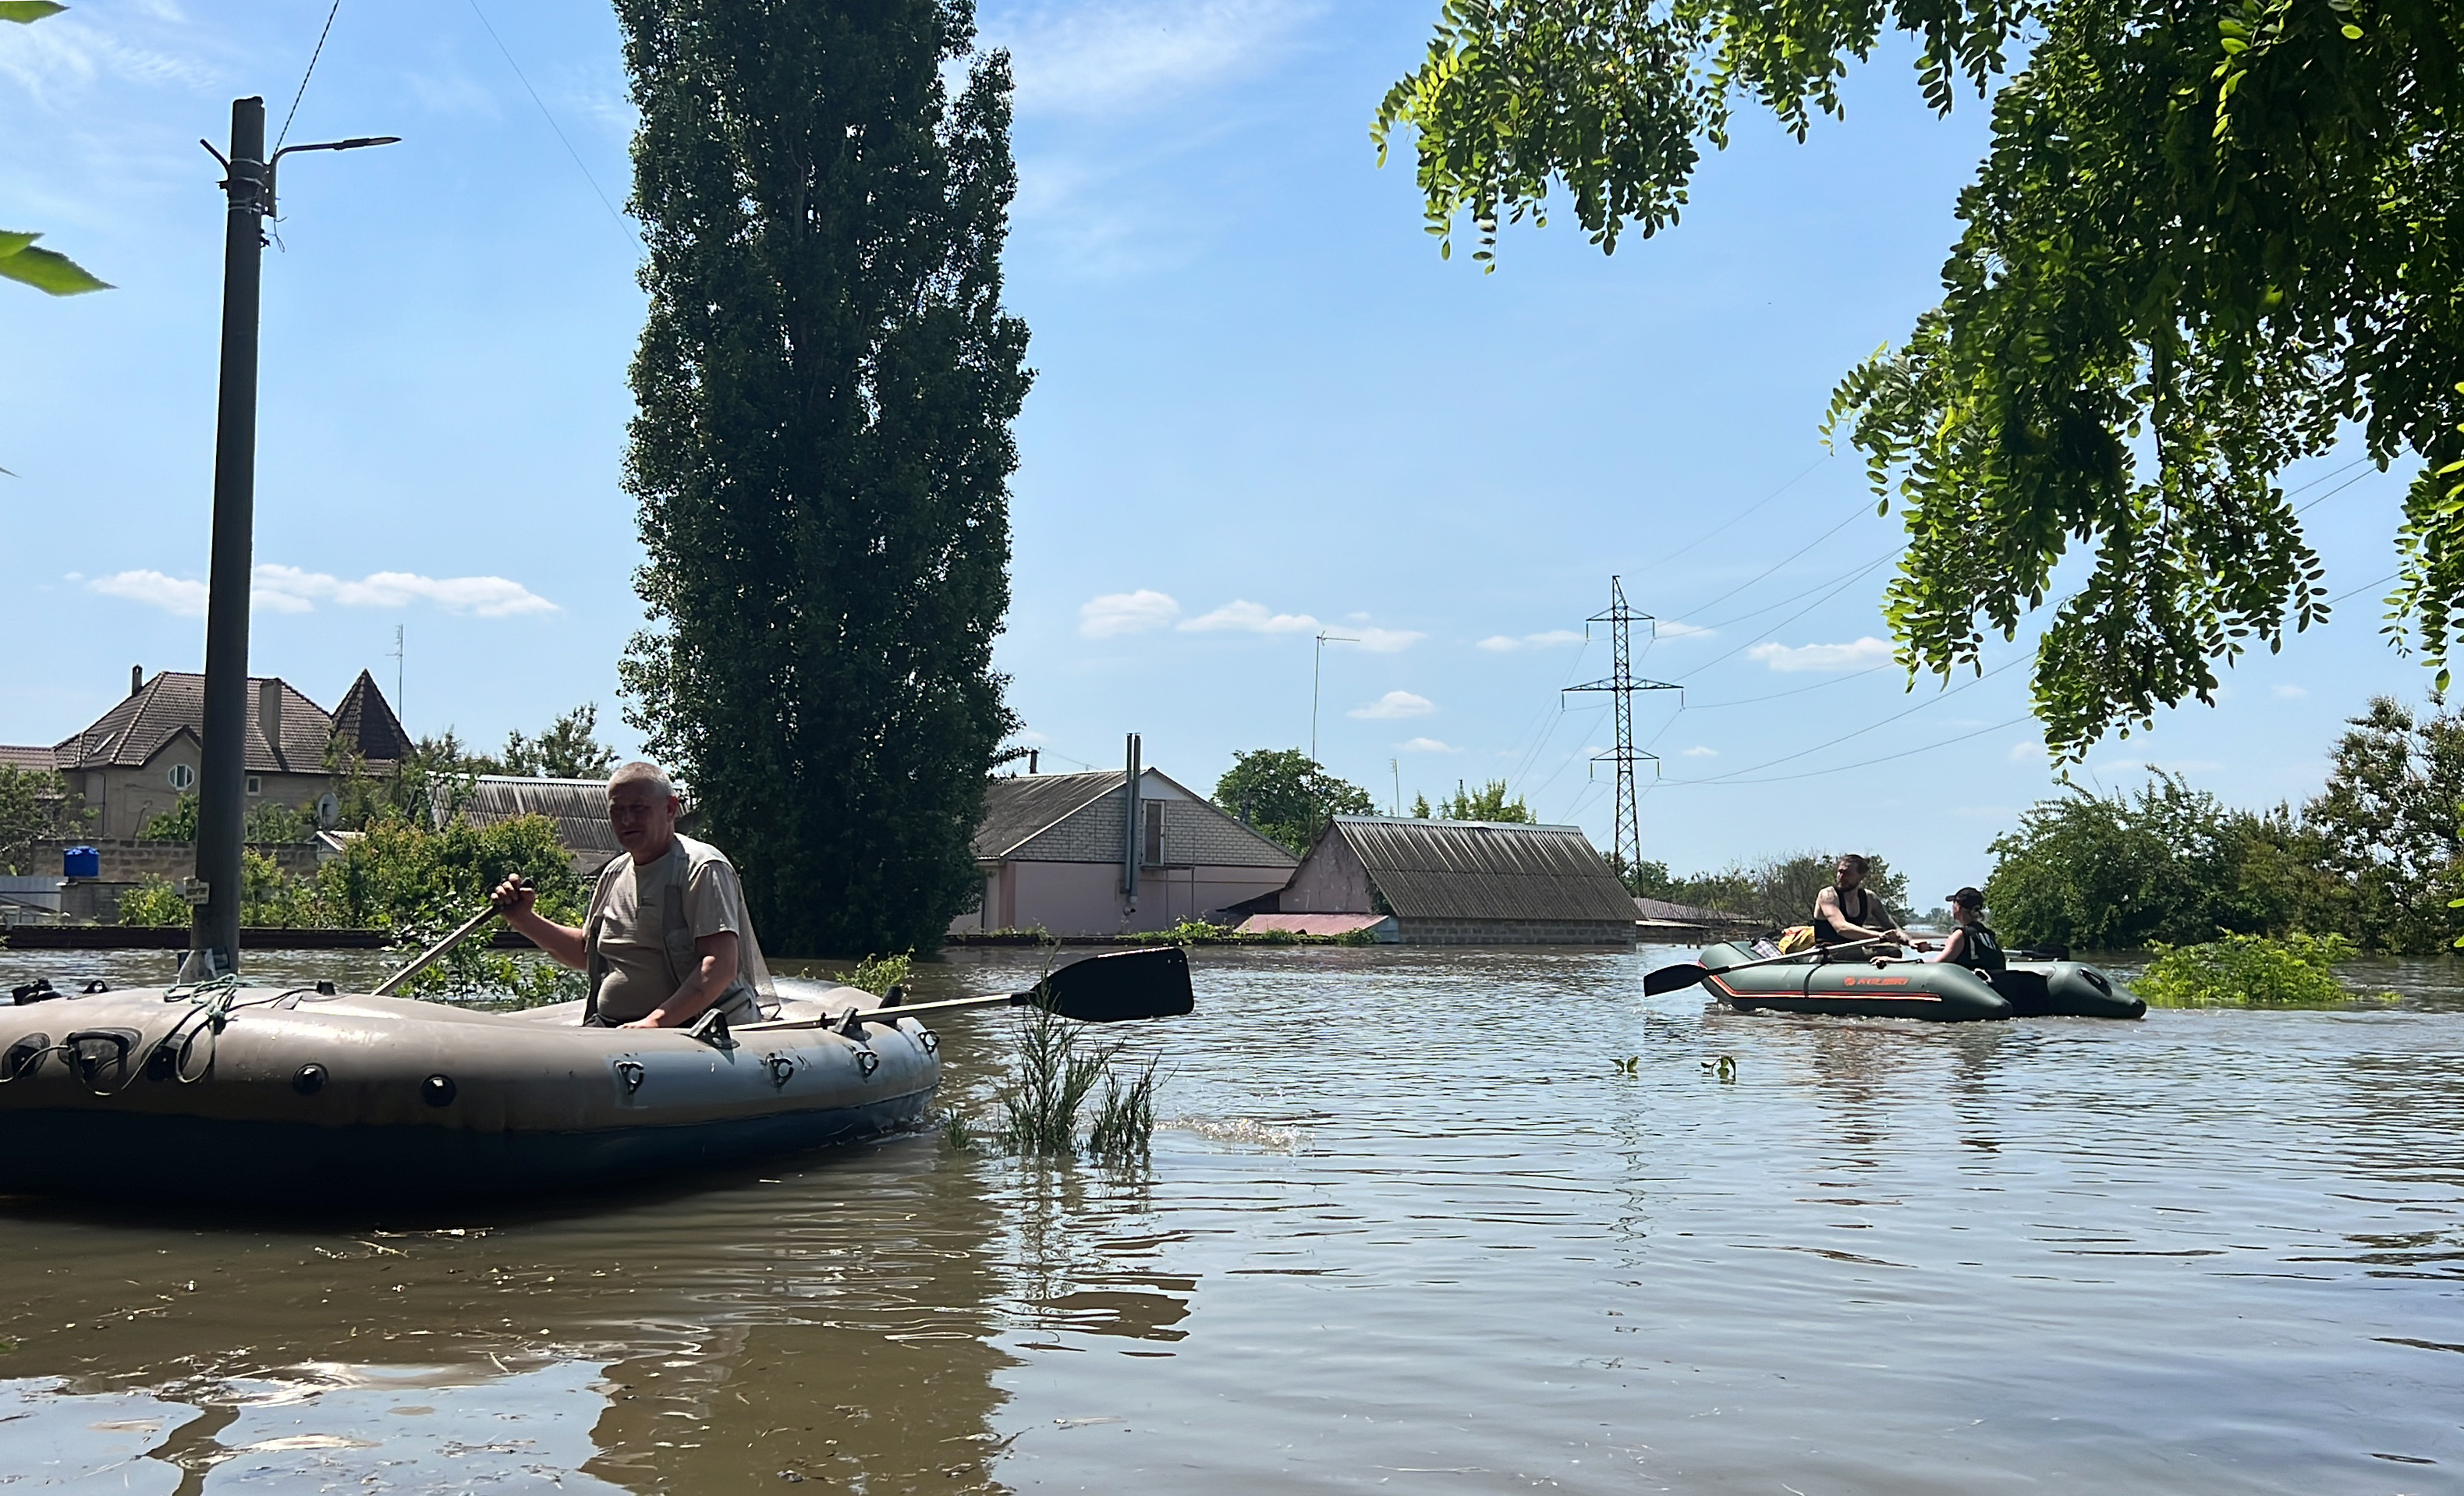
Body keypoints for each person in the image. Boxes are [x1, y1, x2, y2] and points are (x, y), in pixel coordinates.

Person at [491, 761, 776, 1029]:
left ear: (670, 809)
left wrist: (655, 1023)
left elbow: (719, 966)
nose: (627, 819)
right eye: (618, 810)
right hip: (619, 1030)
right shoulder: (614, 873)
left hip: (693, 1033)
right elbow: (587, 954)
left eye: (639, 808)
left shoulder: (702, 867)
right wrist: (524, 919)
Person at [1812, 853, 1924, 953]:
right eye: (1840, 872)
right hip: (1828, 952)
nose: (1841, 877)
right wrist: (1880, 936)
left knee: (1893, 951)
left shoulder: (1870, 898)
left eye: (1847, 873)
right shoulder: (1828, 895)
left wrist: (1910, 941)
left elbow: (1892, 928)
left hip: (1855, 951)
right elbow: (1842, 928)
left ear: (1861, 877)